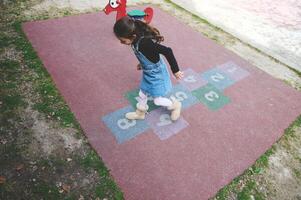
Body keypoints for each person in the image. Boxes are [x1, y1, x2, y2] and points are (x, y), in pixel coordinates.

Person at [113, 16, 184, 121]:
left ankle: (176, 105)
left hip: (157, 73)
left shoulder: (145, 43)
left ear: (133, 36)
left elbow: (167, 51)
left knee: (157, 100)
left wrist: (176, 70)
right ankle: (140, 113)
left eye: (123, 41)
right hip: (148, 72)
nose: (121, 43)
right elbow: (147, 56)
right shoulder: (134, 41)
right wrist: (142, 64)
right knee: (142, 93)